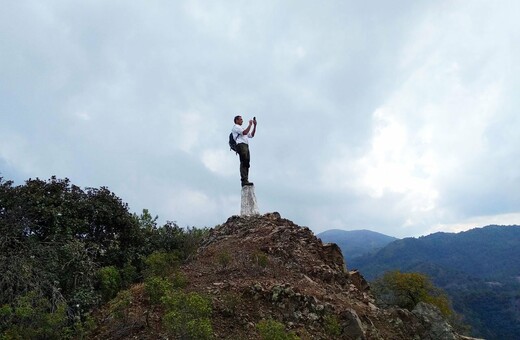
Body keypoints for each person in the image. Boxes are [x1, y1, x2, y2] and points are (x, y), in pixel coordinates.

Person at [231, 115, 257, 186]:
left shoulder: (241, 128)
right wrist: (250, 125)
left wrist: (254, 126)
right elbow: (244, 132)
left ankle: (246, 179)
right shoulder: (236, 127)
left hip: (245, 145)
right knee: (244, 161)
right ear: (236, 120)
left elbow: (251, 135)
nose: (242, 120)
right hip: (240, 145)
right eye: (240, 119)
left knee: (247, 162)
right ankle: (244, 180)